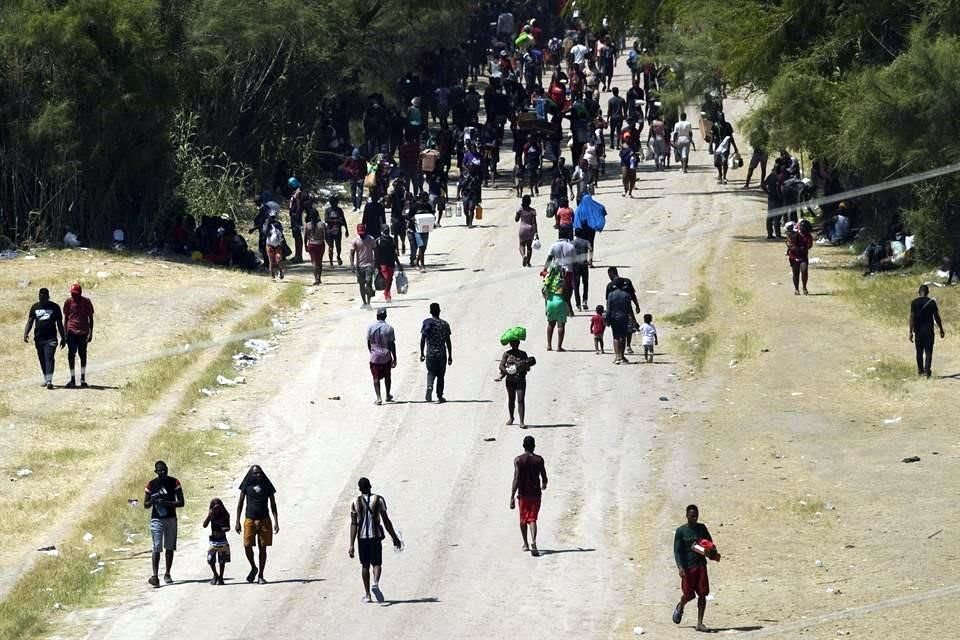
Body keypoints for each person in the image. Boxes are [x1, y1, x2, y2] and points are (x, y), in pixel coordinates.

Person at [349, 477, 402, 603]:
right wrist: (394, 537)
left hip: (362, 539)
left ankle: (367, 595)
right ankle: (376, 583)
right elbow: (386, 520)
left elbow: (353, 524)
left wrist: (351, 544)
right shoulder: (379, 499)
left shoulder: (355, 502)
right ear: (370, 486)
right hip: (375, 537)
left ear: (360, 489)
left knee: (365, 566)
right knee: (377, 563)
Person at [673, 505, 716, 632]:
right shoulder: (681, 531)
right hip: (688, 568)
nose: (694, 518)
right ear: (686, 516)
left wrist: (712, 551)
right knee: (688, 595)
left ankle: (700, 623)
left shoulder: (702, 528)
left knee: (703, 594)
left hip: (700, 565)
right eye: (692, 516)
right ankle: (681, 606)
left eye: (696, 515)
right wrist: (680, 567)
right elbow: (677, 551)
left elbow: (710, 543)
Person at [143, 460, 185, 587]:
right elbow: (145, 505)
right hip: (156, 519)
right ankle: (155, 576)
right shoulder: (151, 484)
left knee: (170, 547)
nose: (162, 472)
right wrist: (152, 500)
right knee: (156, 547)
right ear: (155, 472)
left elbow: (181, 502)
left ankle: (167, 573)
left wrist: (166, 503)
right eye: (159, 471)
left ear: (167, 469)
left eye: (164, 470)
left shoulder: (174, 482)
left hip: (171, 518)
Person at [235, 464, 278, 584]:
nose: (257, 475)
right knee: (247, 545)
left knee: (262, 548)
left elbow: (273, 504)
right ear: (251, 474)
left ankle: (261, 575)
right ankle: (253, 567)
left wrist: (276, 521)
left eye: (259, 473)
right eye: (255, 473)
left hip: (264, 520)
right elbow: (240, 503)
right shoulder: (246, 484)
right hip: (250, 520)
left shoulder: (267, 485)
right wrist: (237, 521)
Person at [509, 435, 548, 557]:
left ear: (523, 446)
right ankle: (534, 541)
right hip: (535, 494)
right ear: (534, 446)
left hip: (523, 494)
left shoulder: (518, 460)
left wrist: (512, 496)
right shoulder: (539, 460)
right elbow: (544, 476)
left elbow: (516, 478)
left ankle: (525, 544)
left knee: (523, 519)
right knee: (533, 519)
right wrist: (544, 484)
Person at [24, 287, 66, 389]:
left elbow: (59, 324)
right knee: (42, 359)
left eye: (43, 297)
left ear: (48, 297)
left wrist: (63, 338)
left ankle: (49, 380)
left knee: (49, 358)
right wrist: (26, 333)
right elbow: (30, 321)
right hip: (39, 338)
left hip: (51, 338)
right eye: (40, 297)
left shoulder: (55, 307)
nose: (41, 299)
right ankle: (46, 378)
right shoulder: (35, 307)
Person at [909, 284, 946, 378]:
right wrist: (941, 329)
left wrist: (910, 332)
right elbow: (936, 317)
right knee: (928, 351)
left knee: (919, 352)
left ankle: (920, 371)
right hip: (929, 331)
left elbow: (912, 317)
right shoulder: (931, 302)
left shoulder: (914, 302)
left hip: (918, 331)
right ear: (928, 292)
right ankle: (927, 371)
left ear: (919, 292)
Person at [497, 334, 533, 428]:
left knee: (521, 400)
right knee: (511, 399)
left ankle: (521, 421)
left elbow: (528, 368)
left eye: (516, 343)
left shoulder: (523, 354)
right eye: (513, 343)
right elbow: (501, 366)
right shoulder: (507, 354)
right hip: (510, 380)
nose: (515, 344)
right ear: (510, 344)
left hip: (521, 379)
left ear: (519, 343)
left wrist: (524, 367)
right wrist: (507, 372)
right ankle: (511, 417)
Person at [63, 283, 94, 388]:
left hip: (83, 332)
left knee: (83, 355)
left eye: (75, 294)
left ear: (80, 293)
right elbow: (66, 318)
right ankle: (72, 379)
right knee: (71, 356)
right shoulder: (68, 302)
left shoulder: (87, 302)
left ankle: (83, 379)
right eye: (72, 293)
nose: (74, 296)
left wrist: (90, 333)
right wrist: (64, 334)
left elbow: (91, 318)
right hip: (71, 332)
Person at [420, 302, 453, 403]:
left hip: (430, 353)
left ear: (430, 312)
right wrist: (450, 355)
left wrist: (422, 353)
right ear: (439, 311)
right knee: (440, 375)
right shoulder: (445, 324)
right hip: (442, 354)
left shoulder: (427, 323)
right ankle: (439, 396)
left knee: (431, 372)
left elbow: (422, 339)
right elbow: (448, 341)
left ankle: (430, 386)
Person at [367, 307, 397, 405]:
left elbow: (368, 342)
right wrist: (395, 358)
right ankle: (388, 395)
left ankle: (379, 398)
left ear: (377, 316)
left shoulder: (370, 328)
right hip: (386, 357)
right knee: (387, 376)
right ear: (385, 316)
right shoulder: (389, 328)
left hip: (375, 357)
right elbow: (392, 344)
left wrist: (372, 352)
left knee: (375, 378)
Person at [605, 278, 636, 365]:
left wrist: (607, 319)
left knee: (615, 337)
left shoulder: (611, 295)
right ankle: (622, 356)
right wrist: (633, 320)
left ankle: (617, 357)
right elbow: (630, 309)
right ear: (623, 285)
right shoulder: (626, 295)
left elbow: (608, 308)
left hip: (613, 317)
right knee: (622, 337)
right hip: (623, 317)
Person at [202, 498, 231, 585]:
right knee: (210, 559)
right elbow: (204, 525)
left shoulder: (225, 515)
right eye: (215, 508)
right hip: (213, 541)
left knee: (222, 561)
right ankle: (215, 575)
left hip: (222, 540)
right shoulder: (212, 515)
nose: (217, 510)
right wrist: (209, 516)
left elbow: (228, 527)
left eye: (219, 508)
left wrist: (224, 529)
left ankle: (221, 577)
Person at [542, 266, 569, 351]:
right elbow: (566, 295)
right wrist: (569, 309)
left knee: (550, 324)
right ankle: (559, 347)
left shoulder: (548, 281)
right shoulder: (562, 282)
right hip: (560, 303)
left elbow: (544, 295)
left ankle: (549, 345)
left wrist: (546, 307)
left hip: (550, 303)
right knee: (560, 326)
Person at [351, 223, 377, 308]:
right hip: (359, 266)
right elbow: (352, 253)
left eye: (363, 232)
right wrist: (352, 265)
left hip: (369, 265)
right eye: (360, 233)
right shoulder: (355, 240)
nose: (362, 234)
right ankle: (364, 302)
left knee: (368, 283)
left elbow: (375, 251)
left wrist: (376, 263)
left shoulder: (371, 239)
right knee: (361, 285)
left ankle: (369, 302)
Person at [785, 219, 813, 295]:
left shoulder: (808, 236)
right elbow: (789, 243)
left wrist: (803, 248)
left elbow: (809, 245)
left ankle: (804, 287)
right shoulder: (794, 234)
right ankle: (796, 289)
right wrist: (796, 248)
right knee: (796, 273)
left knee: (804, 271)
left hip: (803, 256)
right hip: (793, 256)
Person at [375, 227, 401, 303]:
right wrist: (376, 265)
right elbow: (376, 254)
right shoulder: (378, 241)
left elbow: (395, 253)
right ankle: (388, 295)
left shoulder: (392, 240)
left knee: (390, 280)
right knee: (387, 279)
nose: (386, 232)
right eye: (385, 231)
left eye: (387, 230)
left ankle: (386, 291)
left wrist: (398, 263)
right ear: (382, 231)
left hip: (391, 263)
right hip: (382, 263)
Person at [303, 207, 326, 286]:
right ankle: (319, 278)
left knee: (314, 262)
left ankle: (316, 278)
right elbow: (325, 235)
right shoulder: (322, 224)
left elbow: (305, 237)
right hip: (320, 244)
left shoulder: (307, 225)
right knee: (320, 262)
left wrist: (305, 245)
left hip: (312, 245)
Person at [324, 196, 349, 266]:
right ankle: (331, 261)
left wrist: (347, 230)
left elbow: (344, 220)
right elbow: (326, 220)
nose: (335, 204)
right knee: (331, 246)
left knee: (338, 246)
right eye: (333, 203)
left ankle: (338, 256)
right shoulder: (327, 210)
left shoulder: (339, 210)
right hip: (329, 231)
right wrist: (336, 220)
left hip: (338, 231)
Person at [515, 195, 539, 268]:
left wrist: (517, 213)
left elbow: (516, 220)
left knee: (521, 245)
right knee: (529, 247)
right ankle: (528, 262)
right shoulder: (532, 211)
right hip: (530, 230)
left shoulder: (520, 210)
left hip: (522, 230)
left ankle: (523, 256)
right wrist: (536, 233)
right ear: (529, 202)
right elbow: (534, 223)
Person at [762, 161, 783, 239]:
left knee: (770, 217)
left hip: (771, 198)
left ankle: (770, 234)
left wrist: (768, 192)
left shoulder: (771, 175)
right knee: (777, 217)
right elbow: (778, 188)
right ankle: (778, 234)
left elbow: (763, 185)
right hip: (777, 199)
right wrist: (780, 196)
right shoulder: (778, 177)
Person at [572, 227, 591, 311]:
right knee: (585, 283)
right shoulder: (586, 242)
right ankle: (585, 301)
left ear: (575, 234)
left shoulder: (572, 243)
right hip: (584, 264)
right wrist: (590, 260)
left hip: (575, 265)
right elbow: (591, 249)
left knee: (576, 285)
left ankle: (578, 305)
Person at [264, 210, 286, 280]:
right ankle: (272, 275)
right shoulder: (267, 224)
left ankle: (280, 271)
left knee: (279, 259)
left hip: (278, 245)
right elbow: (265, 233)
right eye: (271, 217)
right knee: (271, 261)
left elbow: (281, 233)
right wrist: (268, 224)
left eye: (273, 217)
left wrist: (282, 241)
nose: (272, 218)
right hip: (269, 245)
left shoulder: (278, 224)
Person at [287, 177, 305, 262]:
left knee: (298, 236)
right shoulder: (295, 192)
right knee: (295, 236)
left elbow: (299, 206)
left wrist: (296, 215)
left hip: (296, 217)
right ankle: (296, 255)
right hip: (293, 216)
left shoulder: (298, 193)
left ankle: (299, 256)